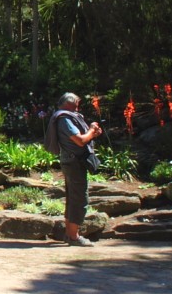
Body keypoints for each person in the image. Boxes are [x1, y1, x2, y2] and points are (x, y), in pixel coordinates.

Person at [48, 92, 103, 247]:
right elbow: (80, 140)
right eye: (77, 104)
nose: (78, 107)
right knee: (79, 199)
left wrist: (92, 134)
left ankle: (69, 234)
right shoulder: (65, 118)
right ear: (70, 103)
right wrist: (92, 130)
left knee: (73, 198)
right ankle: (73, 236)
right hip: (74, 163)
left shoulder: (64, 117)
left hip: (71, 162)